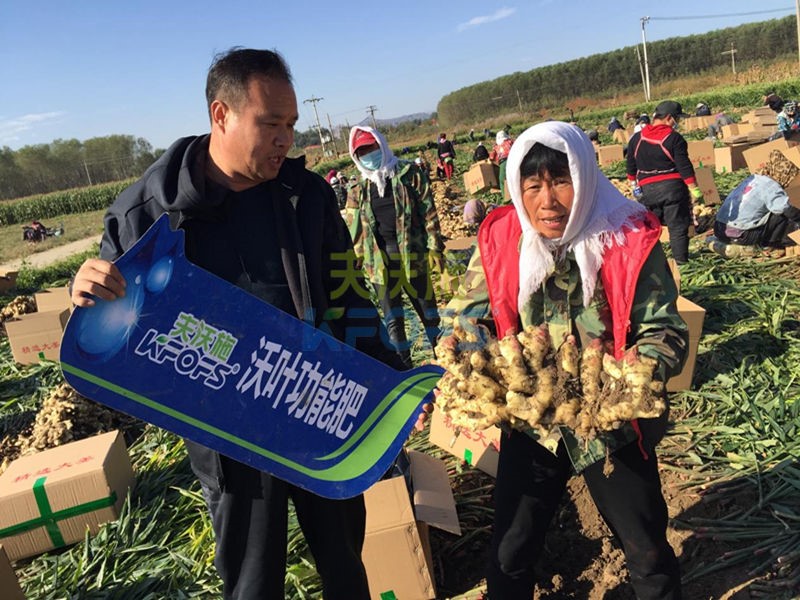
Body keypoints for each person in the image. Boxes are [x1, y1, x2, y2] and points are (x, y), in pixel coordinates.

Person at [69, 48, 407, 600]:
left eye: (291, 125)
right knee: (252, 581)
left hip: (317, 407)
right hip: (228, 430)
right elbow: (104, 311)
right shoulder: (149, 214)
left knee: (345, 562)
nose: (285, 139)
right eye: (270, 123)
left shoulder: (308, 198)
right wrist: (83, 293)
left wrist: (390, 377)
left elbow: (349, 298)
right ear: (220, 115)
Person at [441, 121, 686, 599]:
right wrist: (466, 356)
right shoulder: (501, 240)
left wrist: (637, 373)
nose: (547, 200)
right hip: (532, 422)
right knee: (510, 552)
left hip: (609, 424)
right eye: (533, 186)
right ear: (517, 186)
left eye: (560, 181)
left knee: (647, 550)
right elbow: (471, 317)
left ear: (585, 176)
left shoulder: (625, 235)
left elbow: (665, 329)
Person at [346, 125, 444, 366]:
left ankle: (445, 360)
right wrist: (355, 261)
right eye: (362, 152)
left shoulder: (409, 174)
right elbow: (354, 231)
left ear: (381, 145)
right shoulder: (357, 189)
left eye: (371, 147)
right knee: (393, 321)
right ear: (356, 157)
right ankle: (404, 371)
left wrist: (435, 246)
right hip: (379, 263)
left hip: (413, 256)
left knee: (429, 315)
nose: (368, 154)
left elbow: (428, 211)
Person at [626, 100, 703, 264]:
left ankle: (652, 263)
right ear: (669, 118)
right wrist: (694, 189)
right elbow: (684, 166)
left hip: (647, 191)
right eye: (677, 119)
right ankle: (680, 263)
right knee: (677, 227)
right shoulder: (674, 138)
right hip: (673, 189)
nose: (678, 122)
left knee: (651, 227)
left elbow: (631, 168)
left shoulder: (636, 139)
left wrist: (635, 187)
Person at [713, 174, 800, 248]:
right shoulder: (771, 185)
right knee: (781, 215)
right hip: (742, 236)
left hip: (719, 229)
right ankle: (771, 243)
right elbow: (785, 209)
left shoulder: (753, 179)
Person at [490, 130, 514, 199]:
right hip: (513, 160)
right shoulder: (510, 142)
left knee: (502, 180)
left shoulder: (496, 146)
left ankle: (506, 198)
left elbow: (492, 157)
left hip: (503, 162)